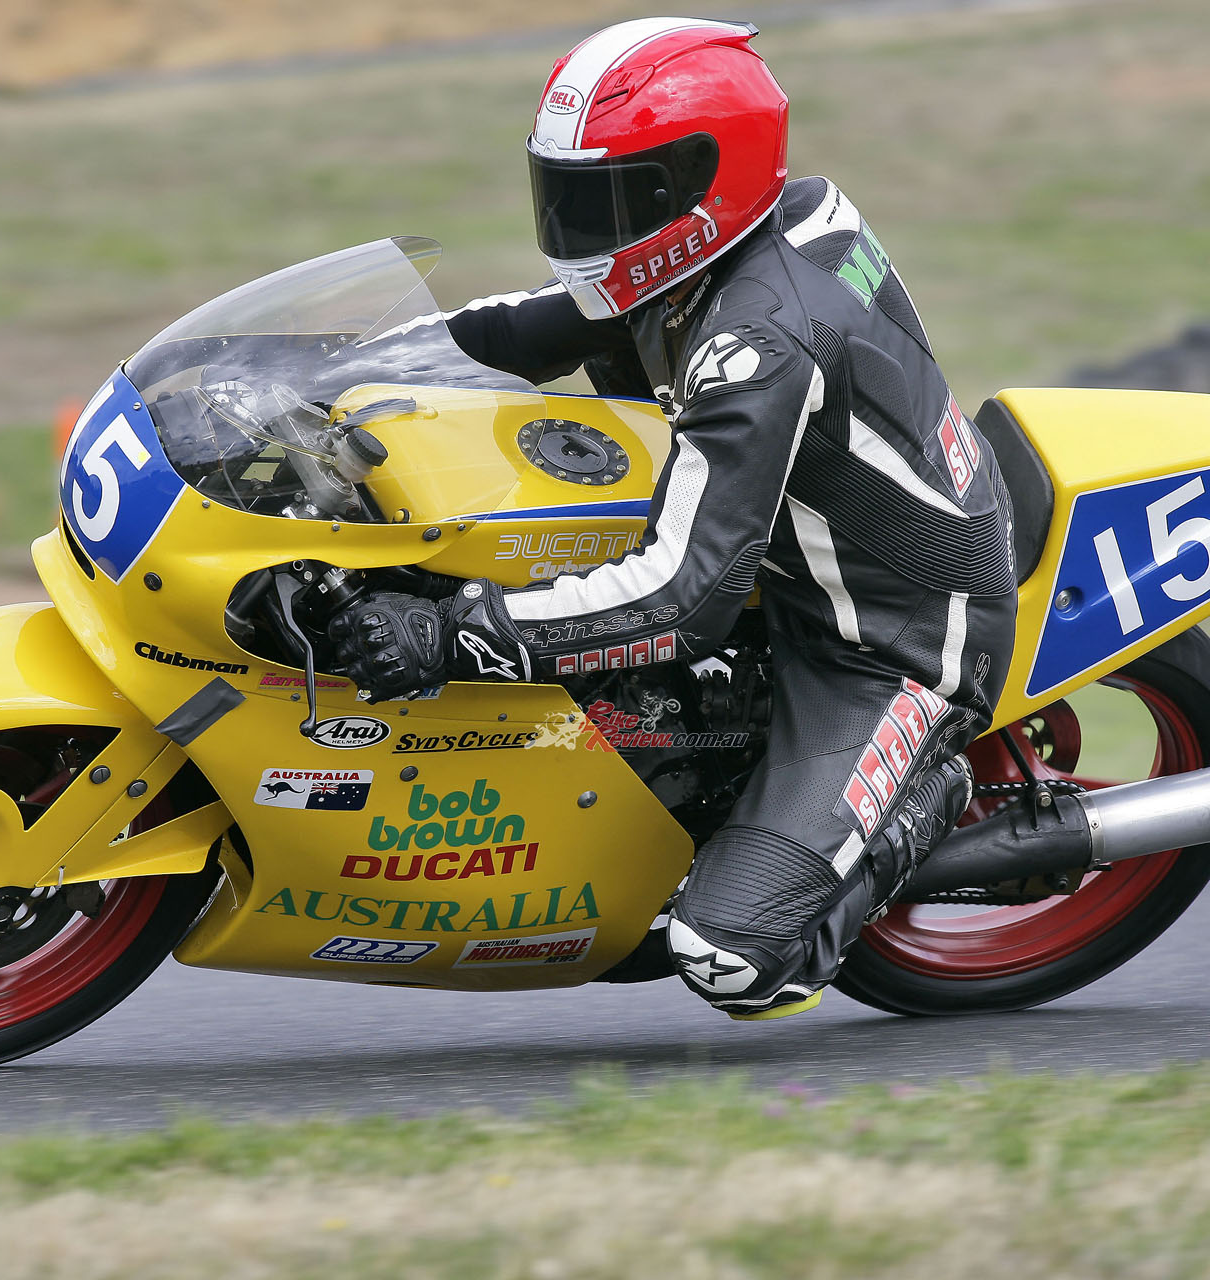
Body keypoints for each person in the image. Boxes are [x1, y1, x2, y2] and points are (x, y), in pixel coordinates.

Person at [328, 16, 1018, 1020]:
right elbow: (517, 329)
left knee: (730, 956)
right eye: (567, 195)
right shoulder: (744, 235)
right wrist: (324, 366)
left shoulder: (759, 345)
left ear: (701, 186)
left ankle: (927, 793)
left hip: (891, 636)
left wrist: (452, 632)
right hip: (790, 553)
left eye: (612, 200)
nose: (580, 227)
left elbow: (683, 598)